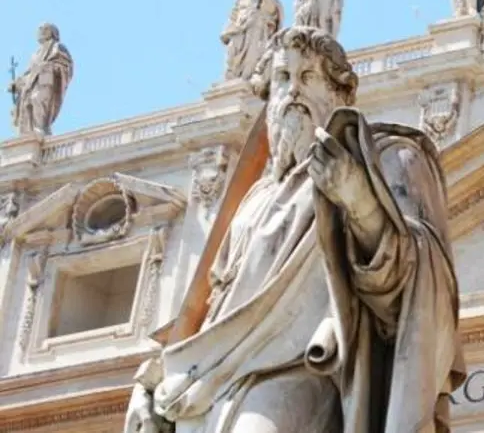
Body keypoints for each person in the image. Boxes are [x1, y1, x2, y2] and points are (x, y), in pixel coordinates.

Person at [122, 26, 465, 433]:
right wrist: (161, 378)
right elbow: (217, 314)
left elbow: (417, 287)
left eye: (308, 78)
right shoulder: (253, 200)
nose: (293, 93)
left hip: (298, 371)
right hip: (215, 381)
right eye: (283, 79)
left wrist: (359, 202)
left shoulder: (383, 161)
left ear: (341, 95)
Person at [8, 23, 73, 137]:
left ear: (51, 33)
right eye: (40, 30)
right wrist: (17, 84)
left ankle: (40, 128)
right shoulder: (35, 54)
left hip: (46, 82)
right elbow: (28, 72)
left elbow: (65, 66)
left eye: (44, 29)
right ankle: (28, 134)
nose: (40, 32)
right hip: (31, 84)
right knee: (28, 104)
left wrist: (46, 67)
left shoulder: (58, 47)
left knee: (38, 100)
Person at [221, 0, 282, 80]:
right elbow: (234, 14)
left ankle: (248, 78)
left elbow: (273, 10)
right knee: (232, 49)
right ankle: (232, 75)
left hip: (257, 28)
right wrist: (228, 29)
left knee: (252, 56)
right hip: (239, 29)